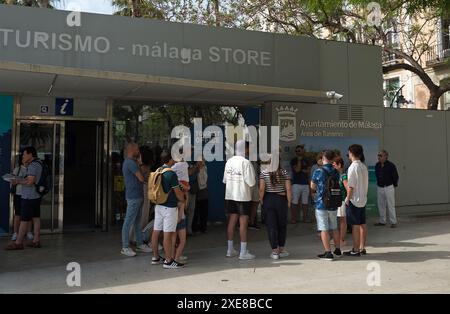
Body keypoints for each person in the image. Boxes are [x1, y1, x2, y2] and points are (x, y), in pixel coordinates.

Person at [151, 150, 186, 269]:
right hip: (169, 207)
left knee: (156, 231)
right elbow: (178, 194)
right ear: (170, 159)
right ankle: (168, 261)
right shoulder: (171, 174)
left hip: (158, 205)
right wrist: (183, 199)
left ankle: (155, 257)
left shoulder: (158, 170)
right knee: (168, 234)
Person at [223, 140, 256, 260]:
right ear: (245, 149)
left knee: (232, 221)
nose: (249, 151)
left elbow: (225, 180)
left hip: (230, 195)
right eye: (248, 148)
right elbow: (251, 182)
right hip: (243, 196)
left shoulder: (229, 162)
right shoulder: (246, 163)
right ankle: (243, 252)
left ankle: (230, 249)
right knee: (243, 223)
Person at [6, 147, 42, 250]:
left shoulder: (32, 166)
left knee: (24, 219)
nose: (23, 156)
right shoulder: (39, 163)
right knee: (36, 218)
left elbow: (30, 182)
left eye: (24, 154)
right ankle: (36, 241)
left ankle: (18, 243)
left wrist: (17, 182)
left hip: (29, 196)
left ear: (30, 155)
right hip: (36, 196)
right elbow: (32, 180)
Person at [120, 143, 152, 257]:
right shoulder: (131, 163)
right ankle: (125, 246)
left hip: (137, 196)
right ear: (131, 150)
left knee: (137, 221)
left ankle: (139, 244)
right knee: (129, 221)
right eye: (137, 149)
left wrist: (139, 163)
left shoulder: (132, 163)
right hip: (134, 196)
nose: (139, 151)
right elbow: (141, 178)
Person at [311, 150, 342, 261]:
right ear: (333, 158)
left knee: (324, 228)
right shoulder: (336, 171)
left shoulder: (318, 171)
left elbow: (313, 187)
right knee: (334, 227)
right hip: (333, 203)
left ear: (323, 158)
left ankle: (328, 253)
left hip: (321, 203)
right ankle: (338, 250)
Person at [259, 154, 292, 259]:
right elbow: (288, 189)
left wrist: (261, 201)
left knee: (271, 226)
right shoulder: (284, 172)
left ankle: (274, 252)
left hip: (269, 199)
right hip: (281, 200)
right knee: (282, 225)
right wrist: (289, 201)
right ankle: (281, 250)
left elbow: (261, 190)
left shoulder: (264, 173)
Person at [344, 144, 369, 257]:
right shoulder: (363, 166)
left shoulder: (352, 167)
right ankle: (362, 248)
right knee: (362, 224)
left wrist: (347, 199)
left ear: (351, 153)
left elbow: (351, 186)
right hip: (363, 199)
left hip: (354, 200)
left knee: (355, 225)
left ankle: (355, 249)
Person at [10, 154, 33, 243]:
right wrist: (16, 181)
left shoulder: (31, 169)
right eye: (24, 159)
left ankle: (29, 232)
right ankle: (15, 232)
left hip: (28, 194)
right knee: (18, 214)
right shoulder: (17, 169)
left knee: (28, 214)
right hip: (18, 194)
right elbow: (12, 182)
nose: (26, 161)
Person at [171, 156, 190, 263]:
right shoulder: (182, 198)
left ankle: (172, 257)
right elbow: (184, 205)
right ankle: (177, 258)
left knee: (173, 239)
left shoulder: (173, 193)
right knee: (182, 240)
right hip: (180, 219)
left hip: (172, 218)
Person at [375, 150, 399, 228]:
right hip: (380, 187)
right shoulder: (377, 165)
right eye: (378, 155)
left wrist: (394, 185)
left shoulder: (391, 165)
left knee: (390, 205)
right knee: (381, 204)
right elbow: (377, 176)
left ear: (386, 156)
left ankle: (393, 222)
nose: (379, 157)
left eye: (381, 155)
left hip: (389, 187)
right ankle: (382, 221)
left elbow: (395, 176)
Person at [290, 145, 310, 223]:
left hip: (305, 184)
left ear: (303, 150)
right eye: (296, 151)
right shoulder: (294, 160)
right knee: (294, 202)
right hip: (296, 184)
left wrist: (303, 170)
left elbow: (308, 171)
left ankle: (304, 219)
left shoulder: (307, 160)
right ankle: (293, 219)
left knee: (305, 202)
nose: (297, 152)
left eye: (299, 150)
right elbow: (297, 170)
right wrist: (299, 161)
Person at [333, 157, 349, 247]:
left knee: (343, 220)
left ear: (339, 165)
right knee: (337, 220)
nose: (333, 166)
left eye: (334, 164)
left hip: (342, 201)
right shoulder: (336, 175)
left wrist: (347, 199)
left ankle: (342, 239)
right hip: (336, 201)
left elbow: (347, 188)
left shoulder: (343, 176)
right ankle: (338, 238)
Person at [193, 158, 208, 234]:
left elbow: (204, 181)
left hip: (204, 191)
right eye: (201, 160)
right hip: (197, 191)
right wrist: (199, 169)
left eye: (203, 160)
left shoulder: (205, 168)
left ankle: (203, 227)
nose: (203, 161)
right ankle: (195, 228)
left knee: (204, 211)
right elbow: (199, 180)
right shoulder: (195, 169)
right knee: (195, 211)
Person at [249, 160, 261, 230]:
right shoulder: (244, 159)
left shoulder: (255, 160)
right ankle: (244, 222)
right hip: (248, 184)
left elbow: (258, 171)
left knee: (256, 202)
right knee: (247, 203)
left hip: (255, 183)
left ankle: (251, 222)